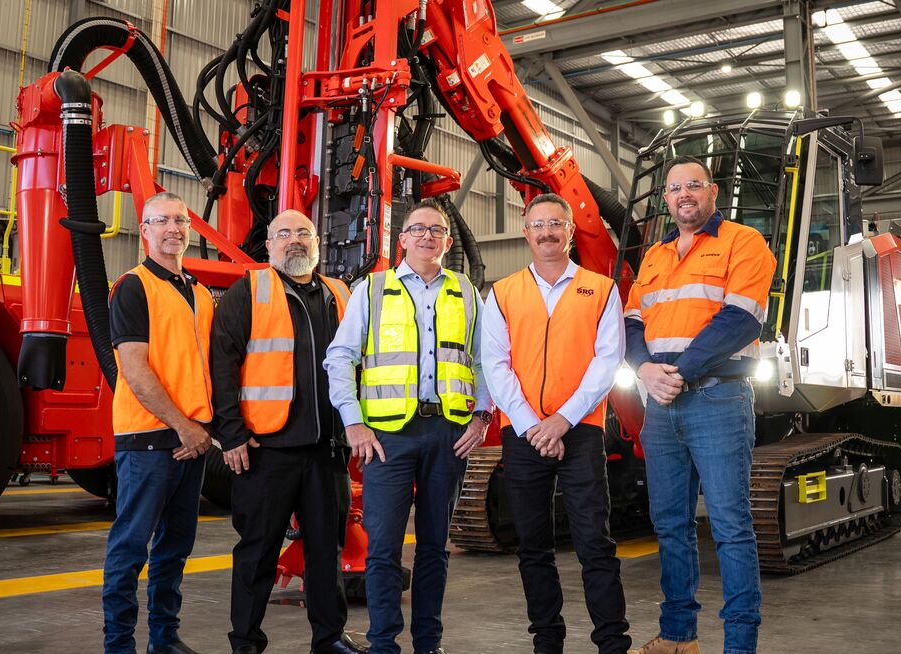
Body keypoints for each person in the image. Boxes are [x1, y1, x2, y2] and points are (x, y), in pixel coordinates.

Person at [324, 199, 491, 654]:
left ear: (448, 241)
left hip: (448, 433)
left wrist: (482, 416)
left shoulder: (465, 291)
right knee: (383, 548)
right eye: (417, 229)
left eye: (436, 230)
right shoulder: (372, 290)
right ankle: (383, 645)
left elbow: (484, 360)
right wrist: (353, 423)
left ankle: (428, 644)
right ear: (402, 240)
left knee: (435, 547)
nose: (427, 236)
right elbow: (340, 358)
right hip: (387, 437)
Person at [624, 155, 776, 654]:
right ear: (666, 200)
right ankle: (678, 637)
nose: (683, 194)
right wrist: (644, 370)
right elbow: (631, 322)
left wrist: (677, 373)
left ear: (713, 192)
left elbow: (741, 319)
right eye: (674, 188)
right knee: (670, 525)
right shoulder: (655, 255)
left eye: (693, 185)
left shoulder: (743, 241)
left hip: (717, 398)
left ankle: (739, 646)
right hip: (661, 405)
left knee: (731, 527)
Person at [481, 192, 636, 654]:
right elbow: (495, 364)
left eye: (556, 224)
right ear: (526, 233)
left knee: (595, 543)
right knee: (533, 547)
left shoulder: (601, 289)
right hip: (523, 432)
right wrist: (532, 424)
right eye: (539, 225)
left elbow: (608, 360)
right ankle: (547, 642)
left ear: (570, 231)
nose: (547, 232)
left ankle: (612, 643)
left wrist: (562, 420)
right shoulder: (503, 293)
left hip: (581, 431)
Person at [210, 210, 368, 654]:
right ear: (269, 245)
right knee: (257, 552)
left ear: (317, 242)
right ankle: (245, 643)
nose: (294, 240)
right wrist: (232, 433)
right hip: (267, 450)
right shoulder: (249, 291)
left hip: (327, 451)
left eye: (303, 232)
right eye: (284, 233)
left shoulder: (340, 294)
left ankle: (329, 639)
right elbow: (221, 363)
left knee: (326, 552)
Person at [102, 191, 214, 654]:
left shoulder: (201, 294)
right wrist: (183, 426)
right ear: (145, 230)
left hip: (193, 441)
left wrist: (202, 430)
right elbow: (134, 369)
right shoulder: (133, 286)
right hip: (148, 440)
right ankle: (119, 646)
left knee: (174, 550)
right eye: (162, 220)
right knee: (130, 549)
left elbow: (205, 369)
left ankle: (164, 640)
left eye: (180, 221)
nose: (173, 228)